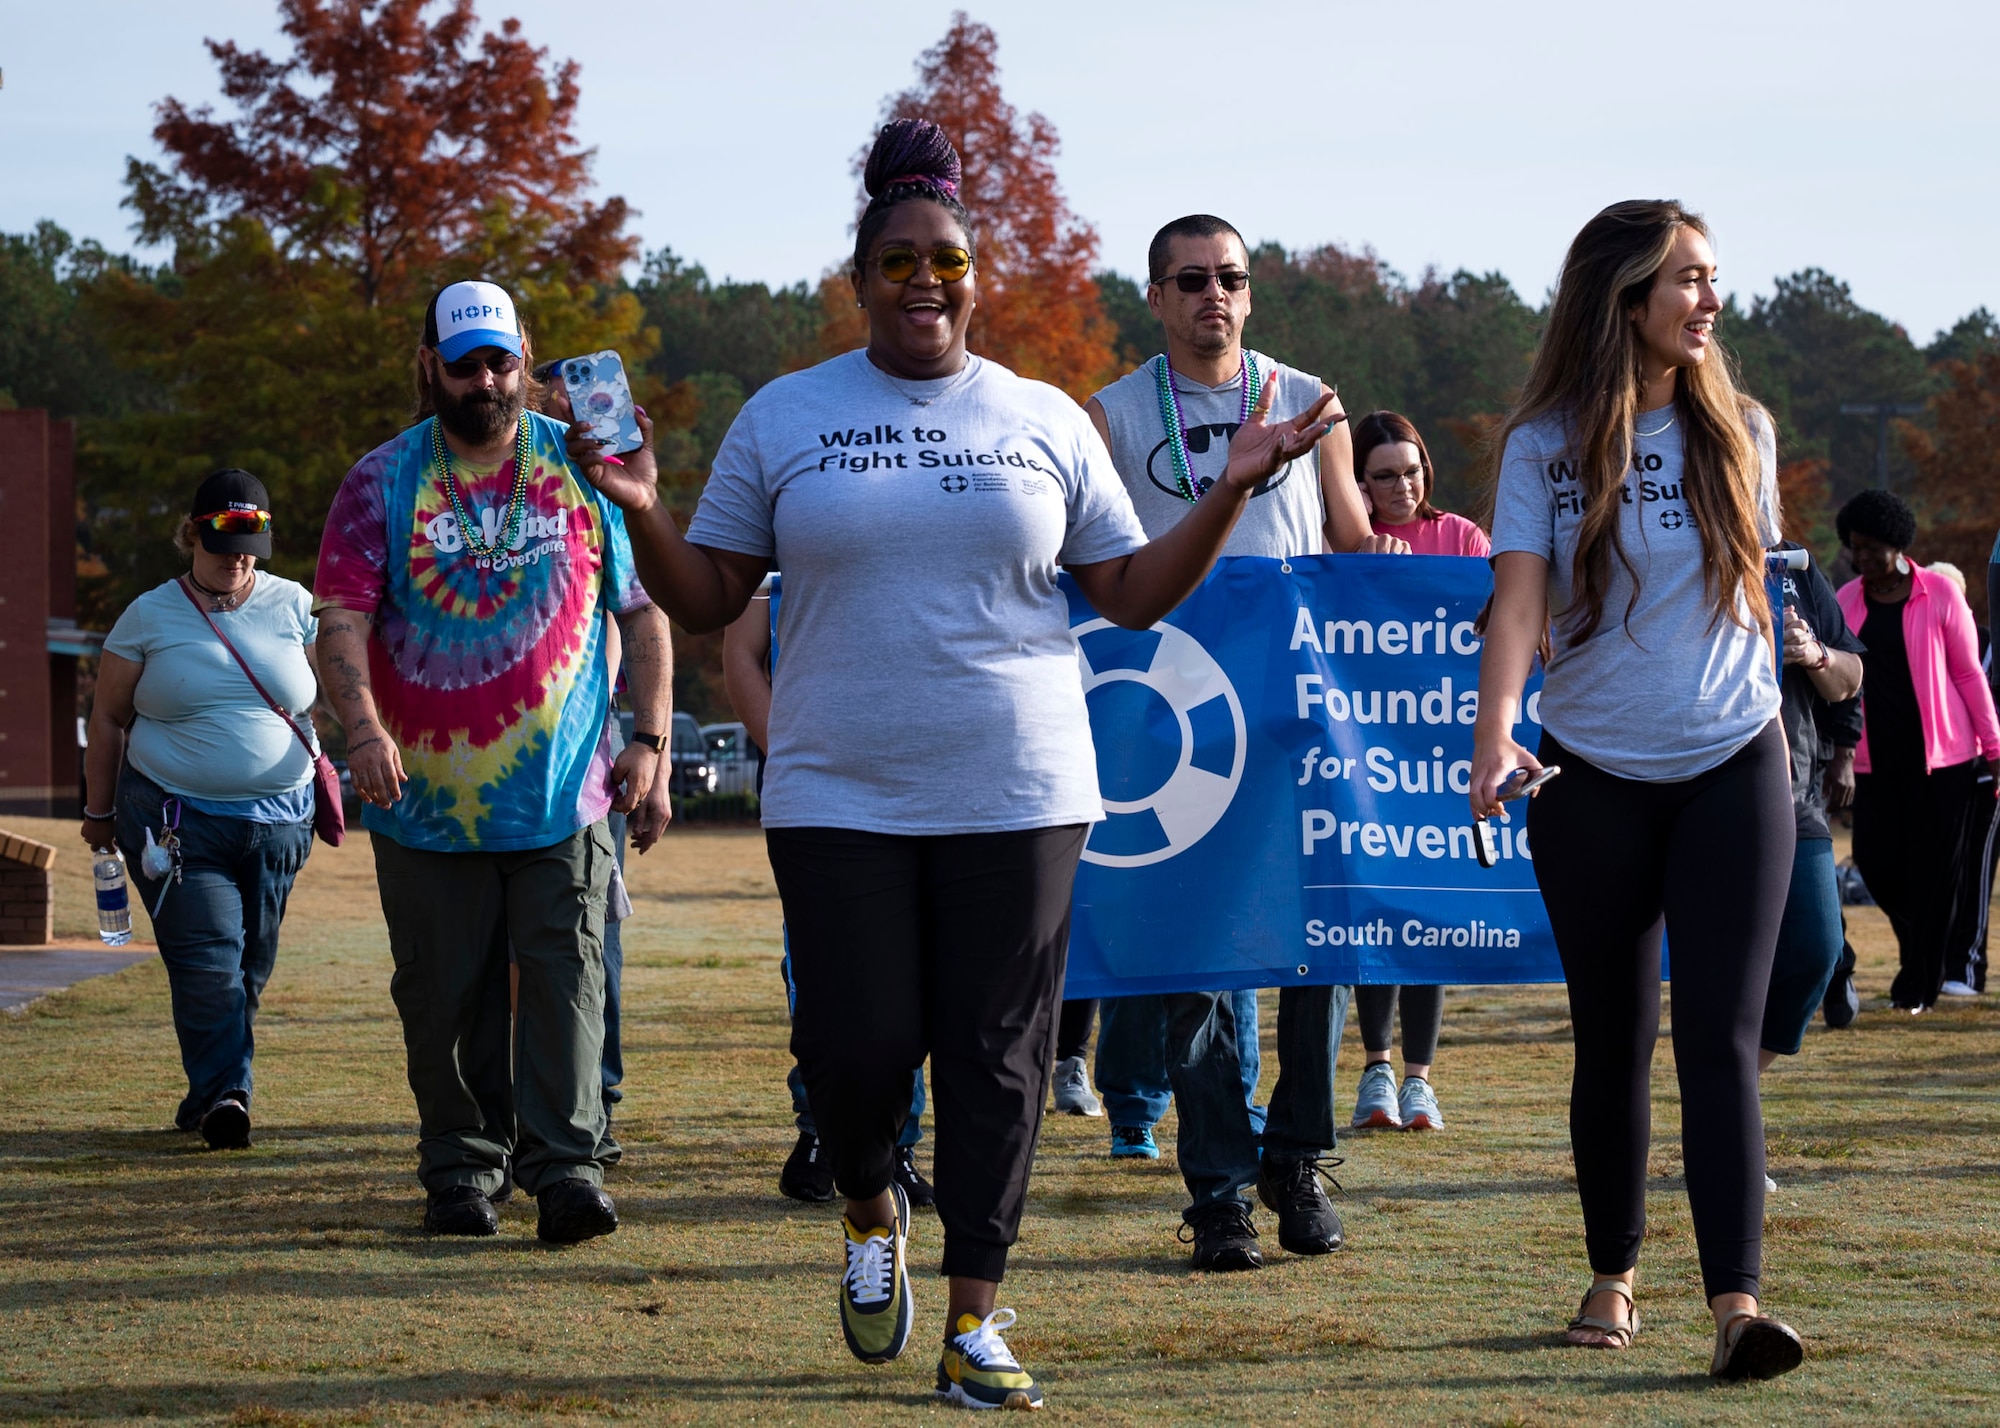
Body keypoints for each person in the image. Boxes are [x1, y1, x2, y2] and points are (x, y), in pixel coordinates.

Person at [566, 122, 1334, 1410]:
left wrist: (1228, 489)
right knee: (855, 1050)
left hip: (1022, 790)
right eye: (899, 260)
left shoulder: (1039, 418)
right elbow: (703, 602)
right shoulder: (786, 417)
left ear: (977, 274)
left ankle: (975, 1317)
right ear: (859, 277)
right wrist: (637, 507)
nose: (927, 278)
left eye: (949, 258)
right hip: (838, 793)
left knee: (997, 1060)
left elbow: (1131, 595)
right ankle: (872, 1208)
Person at [1472, 200, 1805, 1380]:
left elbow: (1751, 594)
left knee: (1716, 1037)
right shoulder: (1542, 448)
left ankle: (1736, 1309)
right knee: (1611, 1039)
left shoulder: (1742, 431)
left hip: (1731, 764)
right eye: (1687, 280)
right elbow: (1515, 602)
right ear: (1623, 300)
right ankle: (1610, 1275)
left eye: (1712, 279)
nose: (1709, 300)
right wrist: (1493, 730)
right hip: (1588, 777)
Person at [314, 279, 672, 1243]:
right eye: (463, 362)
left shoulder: (584, 470)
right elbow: (341, 614)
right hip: (422, 797)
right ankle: (464, 1171)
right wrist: (361, 729)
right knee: (444, 993)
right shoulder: (380, 480)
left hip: (565, 790)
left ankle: (567, 1172)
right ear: (428, 365)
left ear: (526, 362)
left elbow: (640, 615)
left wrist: (651, 743)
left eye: (499, 361)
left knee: (568, 980)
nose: (484, 380)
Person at [1085, 212, 1402, 1272]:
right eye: (1187, 280)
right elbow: (1103, 569)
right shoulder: (1115, 415)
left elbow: (1352, 546)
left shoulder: (1310, 401)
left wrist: (1449, 596)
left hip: (1300, 717)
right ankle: (1217, 1188)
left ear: (1249, 293)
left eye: (1228, 278)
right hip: (1180, 732)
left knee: (1317, 953)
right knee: (1198, 967)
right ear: (1155, 296)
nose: (1209, 295)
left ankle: (1296, 1161)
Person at [81, 469, 320, 1150]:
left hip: (280, 821)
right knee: (210, 959)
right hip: (174, 820)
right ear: (192, 534)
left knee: (251, 965)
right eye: (223, 544)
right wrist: (98, 811)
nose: (237, 559)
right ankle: (227, 1098)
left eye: (249, 546)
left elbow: (332, 687)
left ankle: (209, 1087)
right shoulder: (149, 616)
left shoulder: (294, 605)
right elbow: (106, 719)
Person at [720, 587, 934, 1206]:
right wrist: (795, 759)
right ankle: (822, 1134)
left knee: (910, 975)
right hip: (821, 800)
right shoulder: (780, 499)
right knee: (820, 972)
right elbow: (743, 652)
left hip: (929, 785)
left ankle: (897, 1146)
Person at [535, 360, 676, 1123]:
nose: (573, 406)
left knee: (594, 939)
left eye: (581, 392)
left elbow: (644, 618)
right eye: (558, 391)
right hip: (494, 770)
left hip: (588, 755)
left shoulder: (609, 492)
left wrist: (650, 756)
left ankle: (599, 1093)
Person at [1347, 410, 1491, 1133]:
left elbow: (1495, 627)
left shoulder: (1462, 538)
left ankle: (1419, 1081)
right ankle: (1374, 1070)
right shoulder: (1345, 541)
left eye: (1412, 471)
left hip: (1442, 755)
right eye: (1384, 476)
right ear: (1359, 485)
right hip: (1367, 758)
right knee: (1376, 911)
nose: (1402, 487)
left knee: (1430, 913)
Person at [1834, 491, 2000, 1011]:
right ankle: (1923, 948)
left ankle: (1917, 985)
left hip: (1943, 762)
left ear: (1899, 545)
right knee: (1876, 864)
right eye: (1854, 548)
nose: (1862, 558)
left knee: (1933, 873)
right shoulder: (1846, 600)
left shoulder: (1941, 595)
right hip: (1873, 760)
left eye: (1872, 548)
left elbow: (1970, 674)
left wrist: (1994, 748)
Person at [1758, 541, 1865, 1181]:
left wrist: (1815, 654)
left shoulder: (1793, 569)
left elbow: (1850, 678)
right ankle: (1724, 1131)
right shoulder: (1666, 538)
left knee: (1816, 950)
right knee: (1723, 970)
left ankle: (1727, 1090)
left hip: (1794, 792)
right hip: (1697, 788)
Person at [1924, 560, 1998, 997]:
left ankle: (1967, 970)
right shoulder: (1921, 650)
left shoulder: (1989, 646)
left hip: (1985, 778)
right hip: (1941, 774)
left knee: (1976, 870)